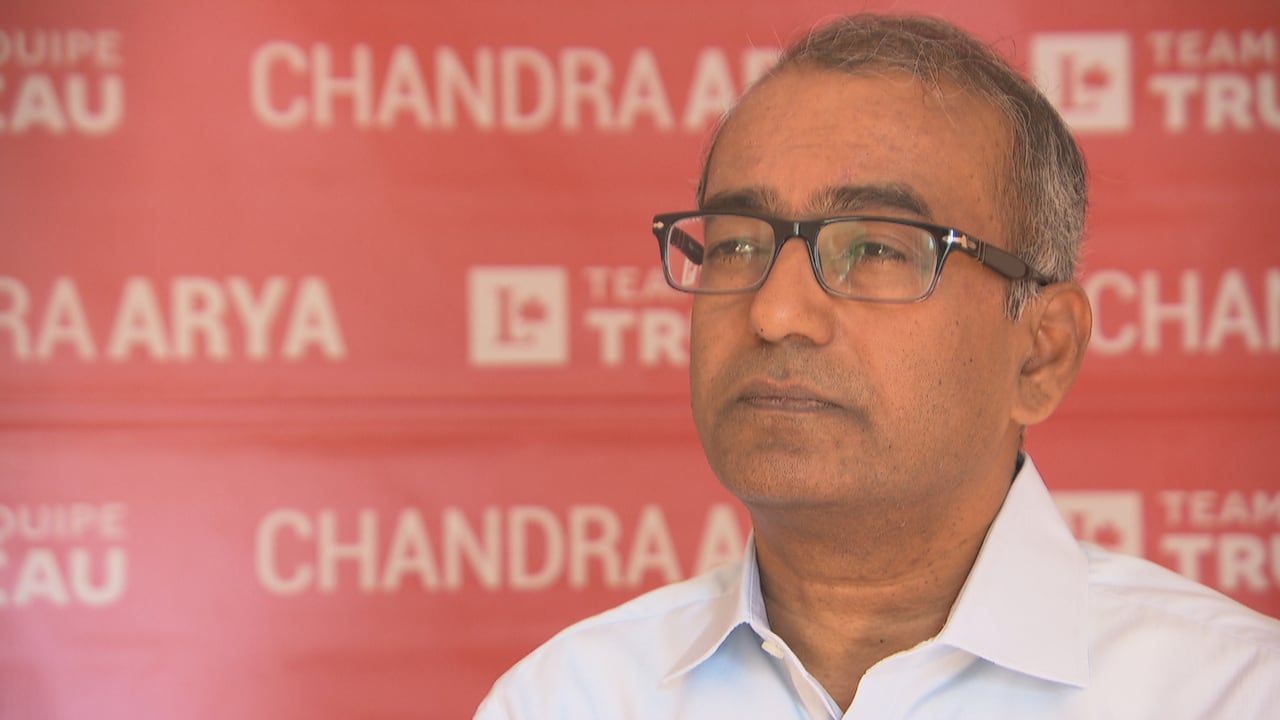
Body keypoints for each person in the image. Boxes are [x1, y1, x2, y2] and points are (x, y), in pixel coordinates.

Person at [475, 13, 1280, 719]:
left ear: (1042, 351)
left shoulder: (1229, 694)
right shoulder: (569, 699)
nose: (776, 313)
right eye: (738, 245)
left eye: (876, 250)